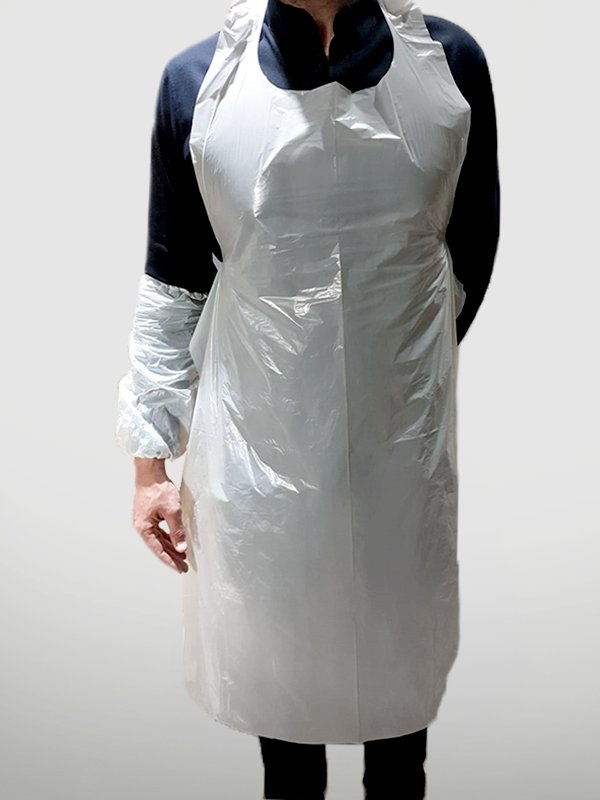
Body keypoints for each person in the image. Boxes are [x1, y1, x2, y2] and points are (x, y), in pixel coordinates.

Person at [115, 0, 500, 797]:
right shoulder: (199, 83)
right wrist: (150, 464)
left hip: (399, 445)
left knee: (399, 713)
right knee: (283, 712)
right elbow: (174, 279)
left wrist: (402, 360)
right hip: (261, 447)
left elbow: (473, 241)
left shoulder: (447, 66)